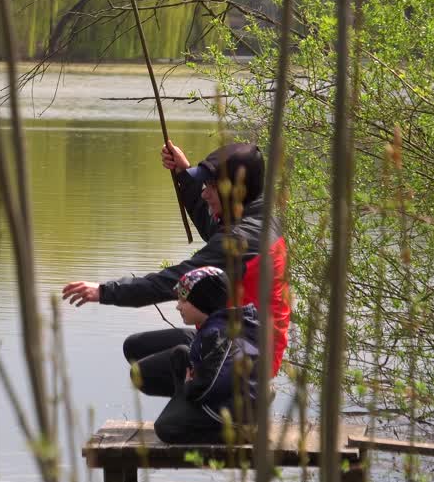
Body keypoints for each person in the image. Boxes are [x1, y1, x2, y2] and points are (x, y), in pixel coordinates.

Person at [60, 140, 291, 376]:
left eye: (211, 185)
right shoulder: (257, 217)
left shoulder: (242, 240)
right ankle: (201, 395)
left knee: (145, 373)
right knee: (136, 348)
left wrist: (103, 291)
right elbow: (213, 226)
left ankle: (206, 404)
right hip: (235, 340)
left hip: (244, 357)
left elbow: (174, 281)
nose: (204, 192)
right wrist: (183, 173)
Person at [147, 266, 259, 443]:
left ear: (202, 301)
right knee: (180, 354)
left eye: (183, 301)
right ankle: (184, 412)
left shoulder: (218, 333)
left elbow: (212, 383)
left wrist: (189, 387)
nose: (177, 306)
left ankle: (240, 434)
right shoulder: (216, 326)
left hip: (231, 408)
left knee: (165, 428)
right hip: (225, 398)